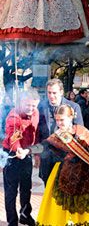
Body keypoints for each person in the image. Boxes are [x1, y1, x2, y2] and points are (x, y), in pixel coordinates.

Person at [17, 104, 89, 226]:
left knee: (87, 205)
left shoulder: (82, 131)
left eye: (62, 120)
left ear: (71, 117)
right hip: (64, 175)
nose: (59, 123)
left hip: (87, 175)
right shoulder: (57, 136)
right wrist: (27, 150)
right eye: (57, 120)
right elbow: (43, 146)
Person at [3, 89, 40, 226]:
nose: (31, 109)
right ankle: (12, 221)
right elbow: (12, 136)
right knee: (11, 191)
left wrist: (35, 154)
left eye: (33, 106)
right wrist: (18, 149)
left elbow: (36, 134)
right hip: (12, 154)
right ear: (22, 102)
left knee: (26, 187)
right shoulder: (13, 116)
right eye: (28, 105)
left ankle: (25, 214)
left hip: (27, 153)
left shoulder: (36, 113)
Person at [38, 78, 83, 185]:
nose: (51, 95)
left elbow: (79, 130)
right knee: (48, 187)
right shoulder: (41, 106)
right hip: (47, 156)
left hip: (66, 157)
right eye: (49, 92)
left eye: (54, 93)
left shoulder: (73, 107)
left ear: (61, 92)